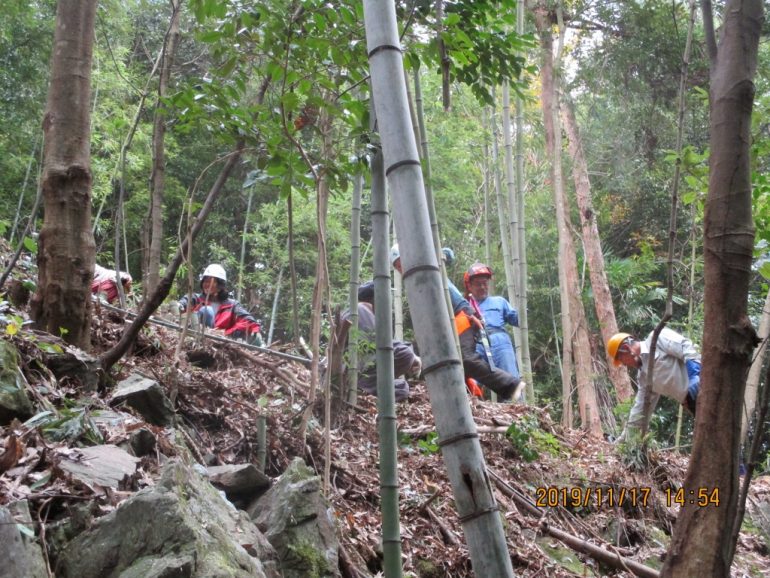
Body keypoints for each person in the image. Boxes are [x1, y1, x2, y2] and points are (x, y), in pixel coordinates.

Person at [390, 244, 523, 401]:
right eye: (397, 267)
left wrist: (437, 254)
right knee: (425, 353)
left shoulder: (427, 268)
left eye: (401, 263)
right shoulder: (413, 281)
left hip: (461, 315)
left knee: (466, 358)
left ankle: (511, 385)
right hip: (445, 325)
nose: (401, 268)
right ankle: (467, 398)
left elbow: (448, 254)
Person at [607, 328, 701, 436]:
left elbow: (685, 347)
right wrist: (623, 439)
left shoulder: (656, 338)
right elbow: (639, 409)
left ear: (626, 348)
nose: (624, 364)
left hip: (705, 381)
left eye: (622, 360)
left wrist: (695, 374)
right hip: (693, 403)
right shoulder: (643, 377)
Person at [342, 281, 421, 402]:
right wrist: (413, 357)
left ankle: (366, 396)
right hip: (352, 372)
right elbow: (378, 342)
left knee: (401, 388)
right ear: (376, 299)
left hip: (357, 371)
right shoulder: (360, 310)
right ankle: (359, 391)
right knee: (405, 353)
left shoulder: (359, 311)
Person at [463, 262, 522, 387]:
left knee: (511, 377)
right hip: (476, 343)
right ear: (469, 286)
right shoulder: (464, 306)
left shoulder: (499, 302)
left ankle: (517, 405)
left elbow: (517, 320)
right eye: (479, 284)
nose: (483, 287)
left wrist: (523, 311)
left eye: (485, 283)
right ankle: (473, 404)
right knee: (471, 382)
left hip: (500, 341)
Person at [177, 264, 263, 345]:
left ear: (220, 285)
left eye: (210, 282)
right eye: (204, 281)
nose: (206, 284)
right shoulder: (196, 298)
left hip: (219, 344)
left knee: (253, 337)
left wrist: (224, 333)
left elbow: (249, 322)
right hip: (194, 338)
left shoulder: (232, 306)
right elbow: (183, 304)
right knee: (206, 310)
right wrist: (178, 306)